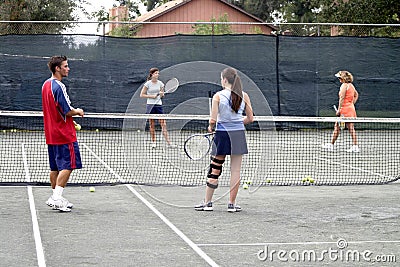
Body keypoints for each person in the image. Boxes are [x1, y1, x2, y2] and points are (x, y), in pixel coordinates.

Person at [195, 67, 254, 212]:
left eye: (221, 78)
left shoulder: (218, 96)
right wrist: (238, 123)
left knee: (215, 168)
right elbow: (250, 118)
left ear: (225, 80)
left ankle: (207, 203)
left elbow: (213, 120)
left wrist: (210, 127)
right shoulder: (244, 95)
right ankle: (231, 204)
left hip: (222, 135)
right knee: (235, 171)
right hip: (238, 135)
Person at [42, 55, 84, 212]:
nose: (68, 68)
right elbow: (67, 110)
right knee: (68, 166)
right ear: (57, 68)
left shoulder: (45, 85)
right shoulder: (59, 86)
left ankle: (56, 198)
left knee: (55, 167)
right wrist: (78, 111)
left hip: (51, 133)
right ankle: (56, 198)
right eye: (65, 66)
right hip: (63, 134)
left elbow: (55, 110)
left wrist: (67, 120)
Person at [323, 70, 359, 152]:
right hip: (350, 109)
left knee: (337, 127)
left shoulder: (344, 86)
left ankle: (331, 145)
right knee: (351, 128)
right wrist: (351, 104)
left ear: (343, 78)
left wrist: (339, 109)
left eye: (339, 77)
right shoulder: (351, 86)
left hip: (344, 110)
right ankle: (355, 146)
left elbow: (342, 98)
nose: (339, 79)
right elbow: (356, 95)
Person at [140, 67, 176, 148]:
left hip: (158, 105)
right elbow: (142, 94)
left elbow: (162, 94)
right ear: (152, 74)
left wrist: (161, 94)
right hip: (150, 105)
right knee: (152, 124)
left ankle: (169, 143)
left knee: (163, 124)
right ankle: (153, 142)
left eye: (158, 73)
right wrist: (152, 96)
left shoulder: (160, 84)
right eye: (156, 73)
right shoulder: (147, 84)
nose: (157, 74)